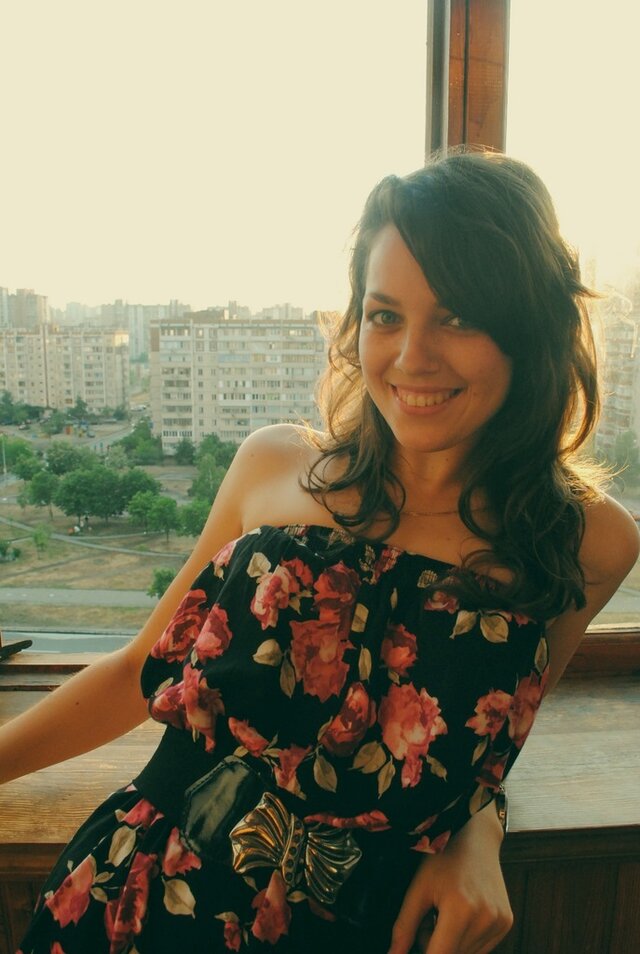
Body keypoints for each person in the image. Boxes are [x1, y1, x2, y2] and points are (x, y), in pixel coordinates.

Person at [2, 149, 638, 954]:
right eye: (385, 315)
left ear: (529, 327)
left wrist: (481, 829)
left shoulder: (588, 541)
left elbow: (497, 737)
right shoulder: (274, 468)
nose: (412, 357)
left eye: (459, 317)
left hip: (361, 931)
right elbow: (139, 671)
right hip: (139, 899)